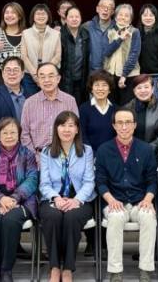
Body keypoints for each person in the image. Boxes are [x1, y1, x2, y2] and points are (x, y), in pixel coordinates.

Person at [95, 107, 158, 282]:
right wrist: (110, 199)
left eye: (128, 122)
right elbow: (100, 181)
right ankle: (115, 271)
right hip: (114, 200)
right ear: (114, 125)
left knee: (149, 216)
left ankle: (146, 270)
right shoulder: (103, 150)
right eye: (120, 123)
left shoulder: (146, 149)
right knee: (115, 218)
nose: (124, 127)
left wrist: (148, 199)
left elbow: (152, 179)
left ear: (135, 125)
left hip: (139, 201)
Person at [0, 117, 39, 282]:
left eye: (13, 132)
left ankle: (6, 269)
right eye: (5, 133)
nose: (9, 136)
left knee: (10, 221)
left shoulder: (28, 155)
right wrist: (0, 199)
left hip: (21, 201)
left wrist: (13, 199)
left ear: (19, 135)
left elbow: (32, 180)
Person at [38, 112, 96, 282]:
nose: (66, 129)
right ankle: (55, 267)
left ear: (77, 129)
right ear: (56, 128)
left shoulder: (86, 151)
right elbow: (44, 184)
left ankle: (68, 268)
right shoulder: (47, 151)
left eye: (71, 125)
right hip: (53, 198)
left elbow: (89, 182)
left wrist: (77, 200)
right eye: (62, 125)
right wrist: (56, 198)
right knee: (52, 216)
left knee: (71, 217)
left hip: (80, 198)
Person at [20, 62, 79, 154]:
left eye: (51, 76)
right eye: (42, 77)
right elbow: (24, 134)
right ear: (38, 80)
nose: (47, 80)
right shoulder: (29, 103)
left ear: (58, 79)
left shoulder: (70, 101)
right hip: (37, 156)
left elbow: (75, 129)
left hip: (64, 155)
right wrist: (34, 156)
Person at [0, 57, 34, 153]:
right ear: (2, 74)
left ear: (22, 74)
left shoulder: (30, 97)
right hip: (4, 152)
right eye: (8, 70)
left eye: (16, 70)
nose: (12, 73)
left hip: (28, 151)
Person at [103, 3, 141, 103]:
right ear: (115, 17)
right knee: (111, 105)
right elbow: (106, 52)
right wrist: (120, 39)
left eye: (126, 15)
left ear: (131, 19)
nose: (123, 17)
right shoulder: (110, 31)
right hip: (111, 74)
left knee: (127, 106)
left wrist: (124, 75)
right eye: (120, 14)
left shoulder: (135, 32)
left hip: (129, 75)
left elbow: (134, 55)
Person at [20, 4, 62, 95]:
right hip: (30, 76)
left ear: (48, 16)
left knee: (49, 100)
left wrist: (45, 72)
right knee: (31, 101)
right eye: (38, 14)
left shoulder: (56, 34)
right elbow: (24, 56)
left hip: (50, 76)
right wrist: (35, 75)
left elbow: (58, 56)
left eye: (43, 14)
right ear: (33, 16)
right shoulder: (25, 33)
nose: (41, 16)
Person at [125, 74, 158, 158]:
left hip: (153, 155)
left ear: (152, 89)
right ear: (134, 91)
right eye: (139, 88)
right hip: (130, 154)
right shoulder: (126, 109)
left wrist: (146, 150)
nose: (143, 90)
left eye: (146, 87)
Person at [0, 2, 26, 87]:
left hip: (24, 77)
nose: (9, 15)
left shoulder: (27, 34)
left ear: (20, 16)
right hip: (1, 78)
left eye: (13, 12)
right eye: (7, 13)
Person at [78, 70, 116, 153]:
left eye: (104, 85)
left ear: (109, 89)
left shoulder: (116, 109)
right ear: (91, 89)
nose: (100, 89)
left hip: (113, 154)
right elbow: (82, 135)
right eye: (97, 85)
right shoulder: (84, 109)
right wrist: (92, 154)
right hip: (90, 155)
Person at [59, 6, 90, 106]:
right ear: (66, 19)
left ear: (81, 19)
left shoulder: (85, 34)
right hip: (64, 80)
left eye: (77, 17)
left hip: (81, 79)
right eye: (71, 17)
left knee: (79, 106)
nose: (74, 19)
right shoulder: (59, 34)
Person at [85, 0, 116, 72]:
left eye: (109, 7)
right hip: (92, 71)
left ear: (113, 12)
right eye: (103, 6)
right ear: (97, 9)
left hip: (111, 71)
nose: (105, 9)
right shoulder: (87, 26)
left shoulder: (117, 27)